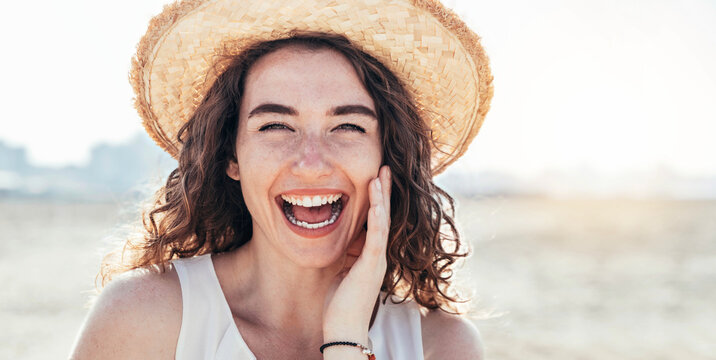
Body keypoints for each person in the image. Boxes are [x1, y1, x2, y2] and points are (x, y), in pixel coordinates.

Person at [70, 0, 492, 359]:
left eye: (348, 126)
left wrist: (345, 339)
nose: (311, 163)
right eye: (275, 126)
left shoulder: (442, 346)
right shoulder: (142, 321)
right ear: (230, 156)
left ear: (389, 157)